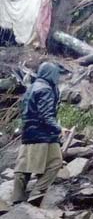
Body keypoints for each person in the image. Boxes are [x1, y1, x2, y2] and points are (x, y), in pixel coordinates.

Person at [12, 62, 64, 206]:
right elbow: (46, 116)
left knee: (24, 167)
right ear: (51, 74)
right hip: (43, 135)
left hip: (28, 133)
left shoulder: (31, 88)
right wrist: (59, 129)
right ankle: (36, 194)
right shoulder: (46, 89)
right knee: (55, 163)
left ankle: (17, 199)